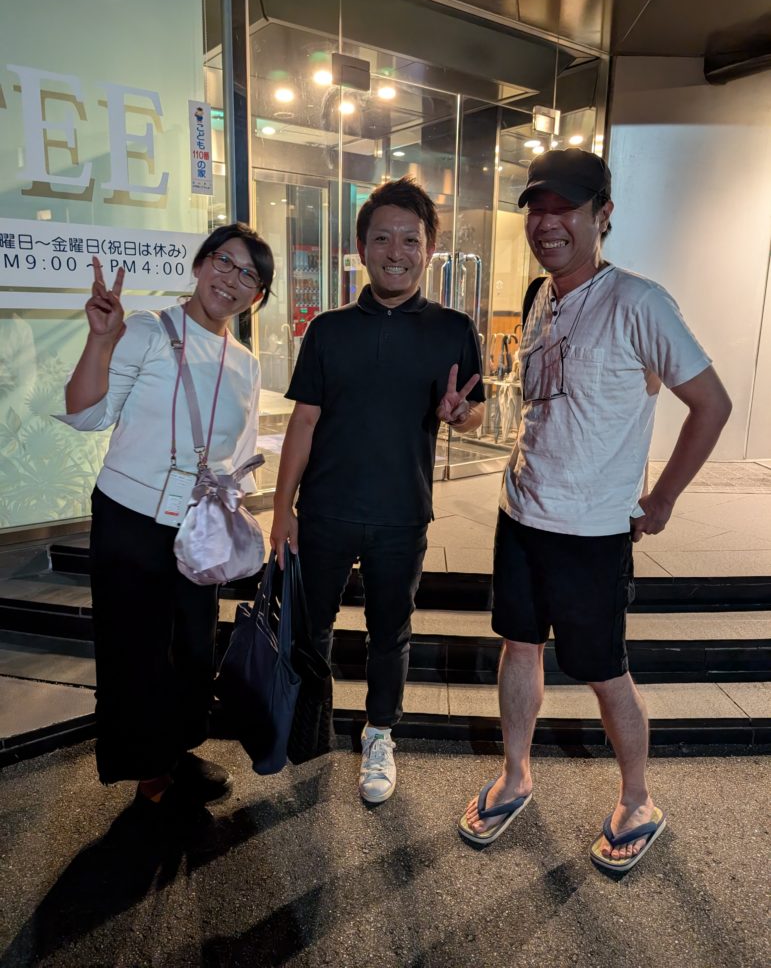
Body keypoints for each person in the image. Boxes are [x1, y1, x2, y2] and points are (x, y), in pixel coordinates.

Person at [458, 148, 732, 873]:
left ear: (602, 214)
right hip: (521, 513)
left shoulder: (640, 302)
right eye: (536, 209)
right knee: (518, 646)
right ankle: (516, 776)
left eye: (565, 209)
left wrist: (662, 498)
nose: (547, 224)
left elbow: (711, 403)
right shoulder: (538, 296)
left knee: (605, 671)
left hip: (591, 530)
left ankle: (637, 800)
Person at [270, 177, 485, 804]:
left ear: (429, 249)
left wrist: (461, 415)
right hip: (325, 509)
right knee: (311, 626)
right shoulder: (328, 329)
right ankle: (307, 725)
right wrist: (282, 510)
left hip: (402, 511)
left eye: (410, 240)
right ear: (362, 247)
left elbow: (472, 411)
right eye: (383, 238)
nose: (397, 252)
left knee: (391, 631)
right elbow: (304, 422)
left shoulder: (453, 328)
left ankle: (380, 733)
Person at [55, 223, 273, 816]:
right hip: (130, 520)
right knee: (136, 652)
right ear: (200, 265)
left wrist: (240, 520)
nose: (231, 279)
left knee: (194, 650)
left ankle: (176, 751)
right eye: (223, 262)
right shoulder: (148, 331)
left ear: (257, 295)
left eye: (248, 274)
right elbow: (86, 414)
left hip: (199, 525)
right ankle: (149, 773)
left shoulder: (246, 364)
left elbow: (241, 453)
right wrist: (101, 340)